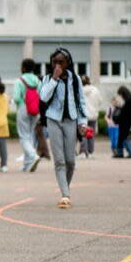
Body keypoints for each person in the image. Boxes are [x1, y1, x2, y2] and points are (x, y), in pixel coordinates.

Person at [39, 48, 87, 208]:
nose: (58, 65)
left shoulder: (75, 79)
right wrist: (54, 79)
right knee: (59, 160)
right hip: (53, 119)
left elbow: (81, 101)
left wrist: (83, 122)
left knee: (70, 161)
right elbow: (43, 97)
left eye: (61, 62)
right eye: (55, 62)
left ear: (68, 63)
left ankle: (64, 187)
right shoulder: (47, 78)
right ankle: (65, 194)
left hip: (71, 120)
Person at [13, 59, 42, 172]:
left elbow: (16, 97)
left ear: (23, 68)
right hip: (35, 110)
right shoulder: (37, 80)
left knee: (23, 136)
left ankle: (33, 155)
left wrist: (21, 103)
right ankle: (27, 164)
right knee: (29, 135)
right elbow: (41, 94)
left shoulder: (19, 80)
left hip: (23, 108)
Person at [112, 86, 131, 159]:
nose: (120, 96)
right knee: (121, 137)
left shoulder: (129, 100)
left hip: (126, 122)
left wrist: (118, 108)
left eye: (120, 94)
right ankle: (119, 153)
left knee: (124, 137)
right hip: (125, 121)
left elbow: (125, 112)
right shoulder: (129, 100)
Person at [79, 76, 101, 159]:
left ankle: (83, 152)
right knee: (90, 134)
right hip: (93, 115)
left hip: (83, 115)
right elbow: (100, 101)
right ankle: (90, 152)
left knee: (83, 133)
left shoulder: (80, 90)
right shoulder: (95, 90)